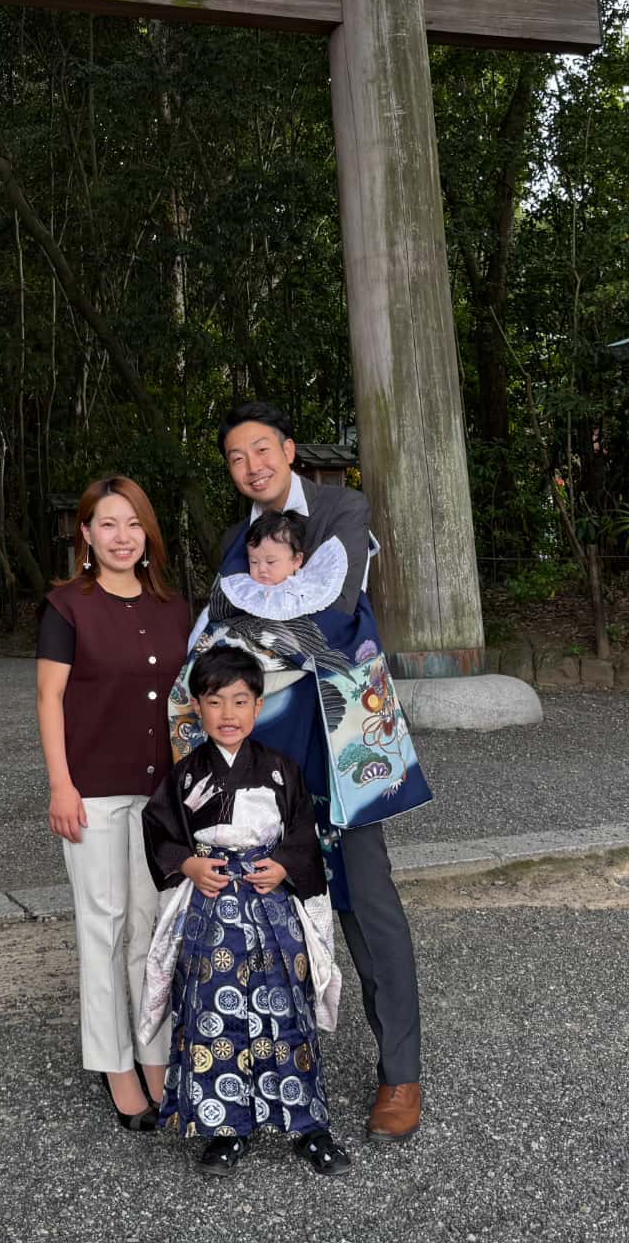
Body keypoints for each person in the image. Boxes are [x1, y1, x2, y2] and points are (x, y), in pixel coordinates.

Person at [199, 401, 433, 1142]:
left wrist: (260, 635)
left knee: (367, 898)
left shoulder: (341, 507)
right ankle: (277, 1065)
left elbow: (334, 612)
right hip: (272, 745)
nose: (253, 466)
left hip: (343, 733)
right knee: (270, 896)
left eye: (262, 450)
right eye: (237, 458)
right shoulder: (238, 539)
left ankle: (400, 1072)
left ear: (288, 449)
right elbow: (217, 631)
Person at [139, 644, 349, 1177]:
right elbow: (160, 831)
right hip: (210, 911)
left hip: (270, 905)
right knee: (213, 1014)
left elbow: (304, 831)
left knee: (286, 1010)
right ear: (198, 708)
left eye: (240, 701)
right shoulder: (185, 776)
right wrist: (187, 864)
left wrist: (283, 864)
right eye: (215, 702)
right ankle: (226, 1127)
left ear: (257, 707)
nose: (228, 715)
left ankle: (307, 1124)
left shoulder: (282, 771)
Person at [36, 475, 191, 1131]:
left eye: (132, 524)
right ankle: (115, 1064)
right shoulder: (68, 605)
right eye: (107, 524)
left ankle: (156, 1055)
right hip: (92, 792)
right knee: (102, 926)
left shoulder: (175, 607)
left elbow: (190, 701)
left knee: (151, 930)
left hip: (160, 793)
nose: (121, 536)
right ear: (86, 534)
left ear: (147, 533)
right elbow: (48, 699)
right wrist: (60, 785)